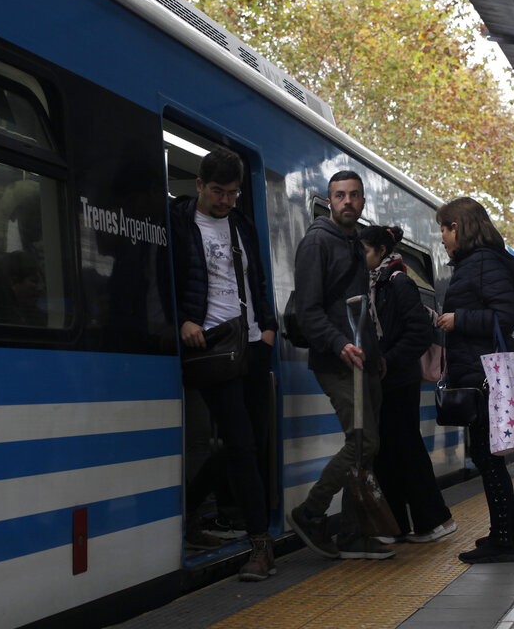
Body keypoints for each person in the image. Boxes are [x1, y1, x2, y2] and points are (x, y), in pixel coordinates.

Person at [170, 147, 278, 581]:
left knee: (248, 444)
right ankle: (260, 546)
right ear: (198, 184)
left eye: (232, 193)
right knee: (240, 444)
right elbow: (162, 281)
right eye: (217, 191)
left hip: (252, 345)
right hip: (212, 348)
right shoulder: (180, 224)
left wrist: (267, 329)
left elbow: (258, 281)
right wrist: (183, 321)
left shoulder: (241, 225)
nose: (225, 201)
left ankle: (193, 509)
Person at [287, 171, 394, 560]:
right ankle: (310, 511)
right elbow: (308, 312)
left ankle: (353, 534)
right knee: (363, 441)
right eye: (339, 195)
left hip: (363, 359)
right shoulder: (317, 242)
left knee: (365, 449)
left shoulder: (352, 243)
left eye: (354, 196)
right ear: (329, 201)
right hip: (335, 360)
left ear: (363, 202)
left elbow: (360, 308)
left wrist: (376, 355)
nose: (347, 201)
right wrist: (340, 344)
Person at [436, 196, 514, 563]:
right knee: (487, 457)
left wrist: (459, 319)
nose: (441, 237)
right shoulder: (476, 263)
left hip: (484, 376)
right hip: (477, 373)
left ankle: (505, 538)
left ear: (457, 227)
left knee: (489, 458)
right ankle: (506, 532)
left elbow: (505, 317)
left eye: (443, 228)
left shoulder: (484, 262)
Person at [360, 224, 456, 544]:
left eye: (365, 251)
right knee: (388, 451)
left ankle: (436, 520)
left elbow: (418, 333)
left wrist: (389, 359)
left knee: (406, 450)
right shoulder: (375, 283)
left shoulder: (399, 282)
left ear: (381, 252)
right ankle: (395, 524)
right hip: (384, 379)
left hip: (400, 379)